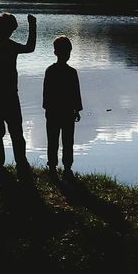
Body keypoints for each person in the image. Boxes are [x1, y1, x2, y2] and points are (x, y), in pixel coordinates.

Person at [0, 12, 36, 171]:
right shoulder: (7, 47)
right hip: (8, 96)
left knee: (0, 133)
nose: (12, 33)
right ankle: (18, 162)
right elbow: (30, 48)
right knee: (15, 132)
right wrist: (32, 26)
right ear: (4, 29)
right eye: (11, 30)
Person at [43, 35, 82, 176]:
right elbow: (75, 94)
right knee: (67, 141)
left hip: (53, 111)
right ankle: (67, 166)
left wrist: (47, 109)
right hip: (67, 112)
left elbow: (46, 93)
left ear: (55, 53)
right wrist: (77, 110)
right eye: (68, 52)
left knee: (53, 140)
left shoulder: (50, 70)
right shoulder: (71, 72)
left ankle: (52, 166)